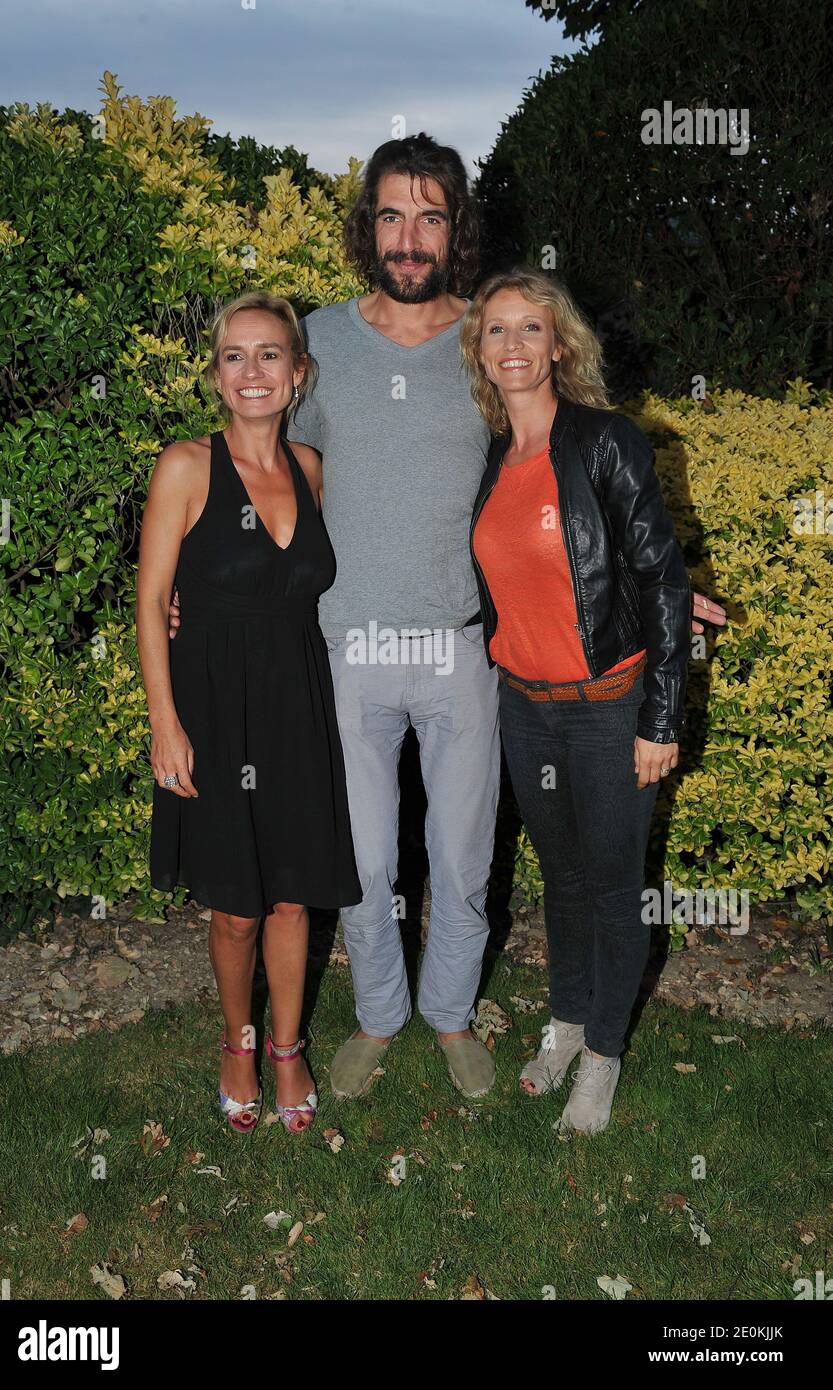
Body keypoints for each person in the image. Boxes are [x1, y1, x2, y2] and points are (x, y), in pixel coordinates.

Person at [168, 134, 725, 1104]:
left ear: (455, 229)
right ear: (367, 227)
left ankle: (452, 1014)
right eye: (391, 214)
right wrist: (207, 575)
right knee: (369, 859)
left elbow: (568, 463)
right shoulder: (321, 345)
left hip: (466, 650)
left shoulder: (490, 336)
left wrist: (655, 581)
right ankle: (380, 1015)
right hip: (343, 646)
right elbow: (273, 473)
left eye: (430, 215)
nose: (409, 235)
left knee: (464, 860)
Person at [463, 266, 690, 1134]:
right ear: (478, 352)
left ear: (558, 344)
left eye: (531, 328)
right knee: (558, 879)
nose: (513, 345)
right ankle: (563, 1025)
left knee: (612, 885)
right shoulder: (494, 455)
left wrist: (659, 720)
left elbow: (661, 581)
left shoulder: (605, 440)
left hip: (606, 706)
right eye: (496, 330)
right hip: (524, 704)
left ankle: (601, 1059)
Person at [137, 291, 361, 1135]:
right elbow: (152, 598)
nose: (252, 371)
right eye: (235, 355)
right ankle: (236, 1040)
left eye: (270, 355)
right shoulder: (186, 466)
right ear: (216, 374)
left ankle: (288, 1046)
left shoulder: (309, 470)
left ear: (297, 374)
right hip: (212, 704)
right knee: (234, 903)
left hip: (296, 702)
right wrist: (166, 720)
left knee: (294, 898)